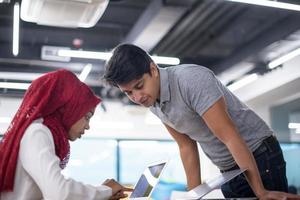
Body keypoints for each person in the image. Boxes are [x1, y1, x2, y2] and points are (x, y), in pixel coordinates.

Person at [103, 44, 300, 199]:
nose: (137, 97)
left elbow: (230, 136)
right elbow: (186, 146)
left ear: (153, 70)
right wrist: (193, 195)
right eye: (128, 93)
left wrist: (261, 192)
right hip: (228, 169)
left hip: (258, 155)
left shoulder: (191, 80)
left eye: (139, 86)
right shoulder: (153, 101)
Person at [0, 69, 131, 200]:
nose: (87, 126)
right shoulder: (37, 132)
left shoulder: (40, 132)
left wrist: (100, 195)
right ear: (69, 108)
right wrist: (105, 191)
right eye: (87, 116)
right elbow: (59, 193)